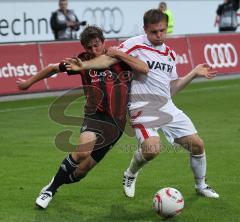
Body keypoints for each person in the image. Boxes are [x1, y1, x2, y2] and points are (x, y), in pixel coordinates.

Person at [67, 9, 219, 199]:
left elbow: (171, 88)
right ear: (146, 29)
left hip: (166, 105)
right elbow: (108, 59)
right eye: (154, 32)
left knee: (197, 145)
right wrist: (83, 65)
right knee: (152, 149)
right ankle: (130, 173)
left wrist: (193, 73)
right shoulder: (134, 44)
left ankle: (201, 185)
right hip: (142, 107)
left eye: (162, 30)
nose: (159, 35)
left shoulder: (170, 54)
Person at [16, 25, 149, 209]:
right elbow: (53, 68)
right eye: (89, 47)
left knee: (80, 172)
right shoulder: (81, 61)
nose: (93, 50)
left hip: (116, 124)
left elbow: (144, 68)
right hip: (94, 116)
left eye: (97, 45)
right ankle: (50, 191)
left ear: (104, 42)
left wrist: (120, 54)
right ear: (84, 48)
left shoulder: (120, 59)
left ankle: (56, 181)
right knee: (82, 152)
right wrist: (28, 83)